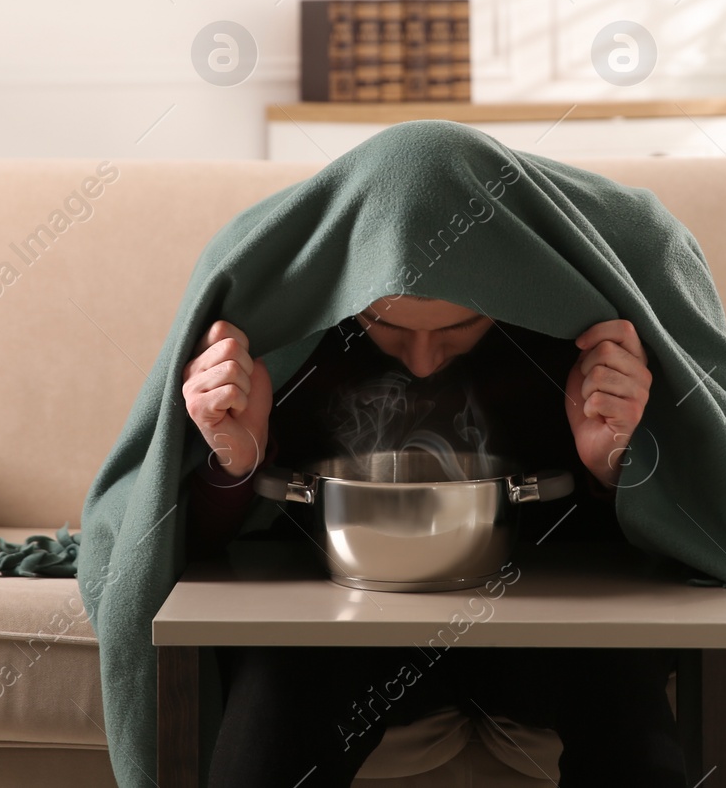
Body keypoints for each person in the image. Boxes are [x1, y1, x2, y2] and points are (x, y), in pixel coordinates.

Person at [180, 293, 688, 787]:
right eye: (387, 324)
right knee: (271, 707)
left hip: (558, 609)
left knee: (631, 713)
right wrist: (234, 463)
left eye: (457, 328)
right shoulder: (293, 325)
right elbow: (184, 551)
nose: (422, 363)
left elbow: (698, 529)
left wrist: (618, 464)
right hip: (342, 619)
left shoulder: (579, 324)